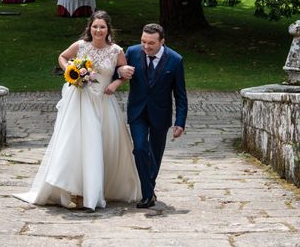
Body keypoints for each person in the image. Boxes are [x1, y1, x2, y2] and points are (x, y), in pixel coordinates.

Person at [15, 11, 141, 210]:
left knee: (104, 144)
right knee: (78, 143)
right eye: (95, 26)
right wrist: (70, 70)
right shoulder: (81, 46)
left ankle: (99, 188)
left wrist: (115, 84)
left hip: (103, 102)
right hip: (80, 102)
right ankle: (75, 190)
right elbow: (63, 57)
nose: (98, 30)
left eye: (102, 27)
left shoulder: (116, 50)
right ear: (89, 28)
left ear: (108, 29)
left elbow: (123, 73)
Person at [118, 23, 187, 209]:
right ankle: (148, 194)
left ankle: (149, 190)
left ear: (162, 42)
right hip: (137, 112)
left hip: (161, 114)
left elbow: (180, 94)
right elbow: (115, 75)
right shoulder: (131, 52)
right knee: (140, 149)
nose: (146, 47)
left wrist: (180, 122)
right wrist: (120, 71)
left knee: (155, 154)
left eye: (151, 43)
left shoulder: (175, 60)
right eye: (143, 42)